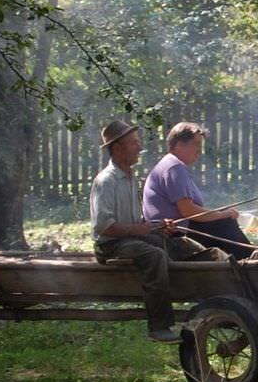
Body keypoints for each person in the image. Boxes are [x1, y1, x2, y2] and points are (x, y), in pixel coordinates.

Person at [90, 120, 223, 344]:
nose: (139, 147)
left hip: (130, 238)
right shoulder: (106, 181)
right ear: (117, 148)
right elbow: (104, 226)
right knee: (154, 255)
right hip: (110, 245)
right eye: (133, 144)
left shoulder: (131, 179)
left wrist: (159, 225)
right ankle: (158, 326)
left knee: (176, 242)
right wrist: (139, 229)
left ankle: (218, 273)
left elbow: (135, 220)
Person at [143, 122, 255, 259]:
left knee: (222, 222)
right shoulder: (174, 167)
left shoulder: (170, 165)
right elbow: (188, 211)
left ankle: (248, 256)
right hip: (174, 235)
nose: (199, 150)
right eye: (196, 144)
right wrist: (223, 214)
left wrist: (221, 214)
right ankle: (250, 258)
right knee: (224, 223)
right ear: (179, 144)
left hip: (178, 230)